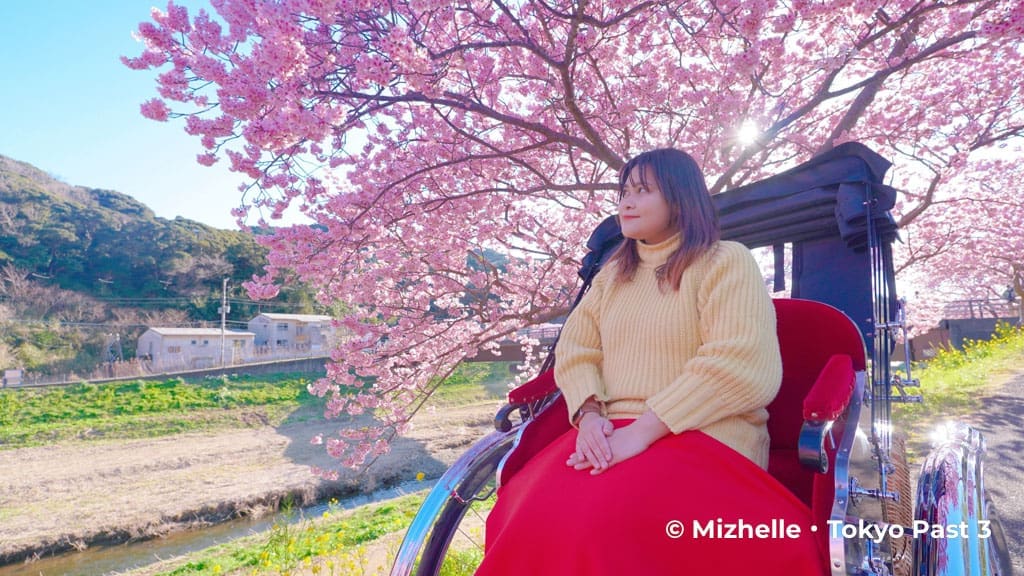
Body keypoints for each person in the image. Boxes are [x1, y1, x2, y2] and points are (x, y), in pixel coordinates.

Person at [475, 148, 825, 575]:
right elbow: (576, 351)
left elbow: (741, 361)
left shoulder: (724, 261)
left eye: (642, 191)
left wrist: (643, 430)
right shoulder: (612, 275)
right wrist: (587, 416)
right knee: (530, 506)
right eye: (624, 191)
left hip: (703, 432)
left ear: (680, 198)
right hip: (608, 429)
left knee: (608, 520)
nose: (625, 202)